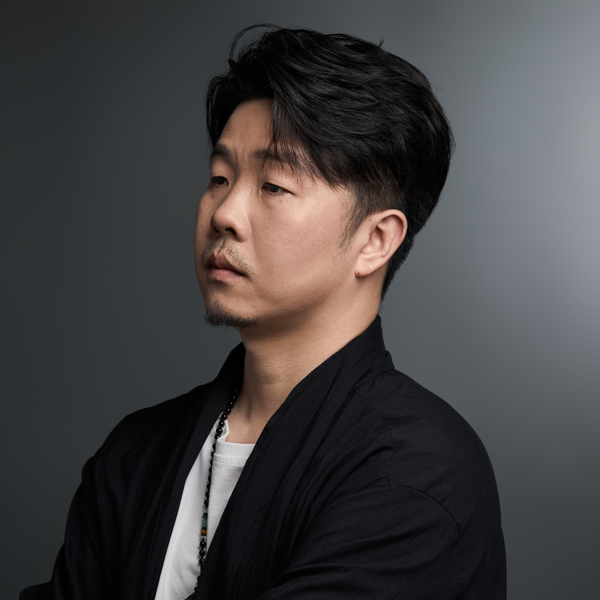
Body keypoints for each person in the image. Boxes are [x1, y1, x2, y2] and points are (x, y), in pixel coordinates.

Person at [21, 25, 505, 600]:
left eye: (273, 185)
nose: (223, 213)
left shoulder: (419, 472)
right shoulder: (136, 453)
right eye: (219, 178)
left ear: (375, 240)